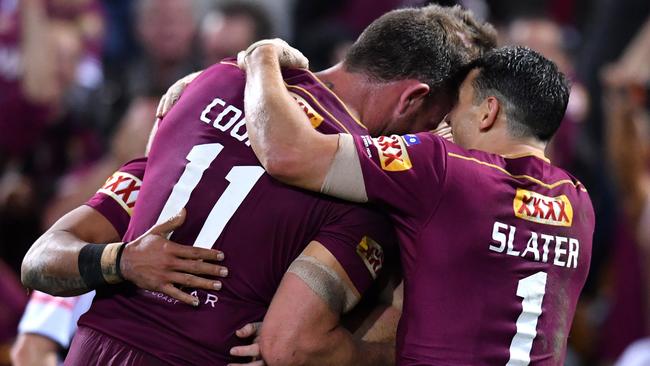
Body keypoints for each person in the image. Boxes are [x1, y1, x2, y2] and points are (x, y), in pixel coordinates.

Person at [23, 5, 495, 365]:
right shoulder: (365, 186)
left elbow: (40, 261)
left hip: (92, 349)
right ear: (413, 98)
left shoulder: (208, 83)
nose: (440, 136)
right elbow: (293, 344)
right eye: (441, 120)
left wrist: (119, 260)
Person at [239, 43, 595, 364]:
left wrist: (262, 58)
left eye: (455, 109)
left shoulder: (443, 167)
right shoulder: (580, 204)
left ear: (488, 112)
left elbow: (287, 151)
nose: (448, 123)